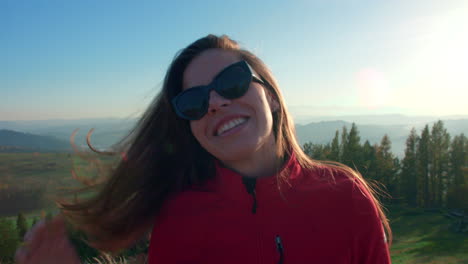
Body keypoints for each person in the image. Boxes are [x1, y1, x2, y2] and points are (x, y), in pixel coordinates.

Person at [16, 34, 391, 264]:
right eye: (193, 102)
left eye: (231, 82)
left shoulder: (346, 197)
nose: (214, 103)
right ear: (191, 127)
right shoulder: (179, 219)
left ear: (272, 97)